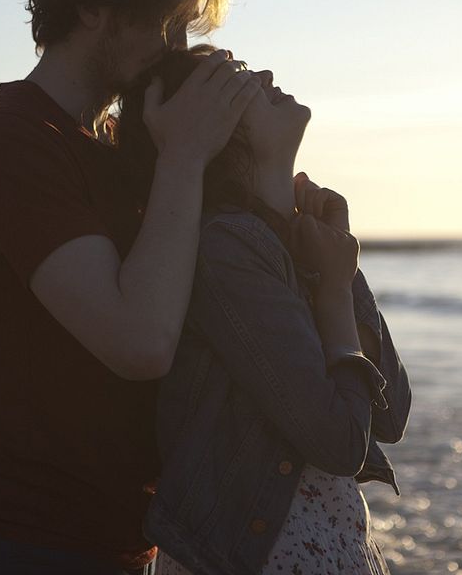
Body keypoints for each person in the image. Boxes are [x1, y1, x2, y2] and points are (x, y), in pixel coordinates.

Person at [0, 0, 261, 574]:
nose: (176, 48)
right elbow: (137, 343)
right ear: (93, 9)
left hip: (117, 538)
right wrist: (183, 160)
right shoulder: (12, 143)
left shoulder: (112, 152)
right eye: (167, 22)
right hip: (21, 541)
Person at [115, 47, 413, 575]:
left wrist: (337, 253)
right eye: (243, 80)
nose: (269, 75)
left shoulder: (287, 242)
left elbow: (389, 415)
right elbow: (342, 444)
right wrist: (336, 290)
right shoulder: (227, 246)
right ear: (217, 124)